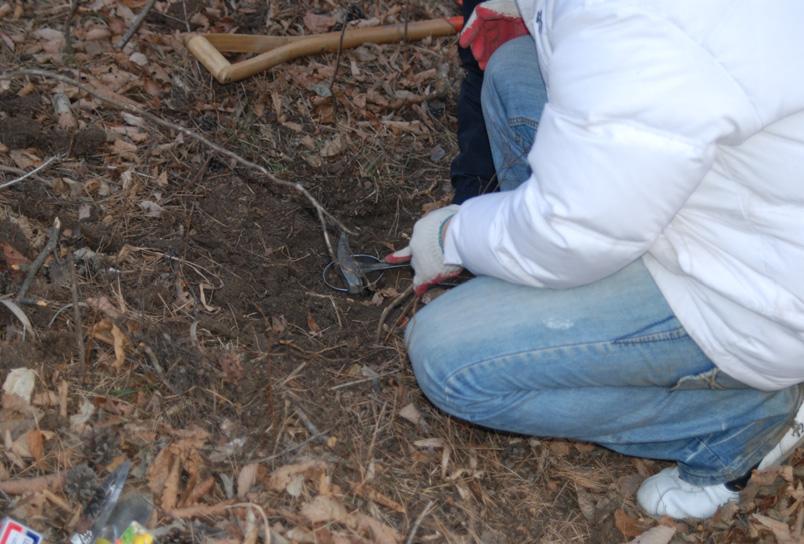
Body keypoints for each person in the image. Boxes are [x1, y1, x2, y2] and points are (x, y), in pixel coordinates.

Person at [387, 0, 804, 520]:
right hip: (725, 203)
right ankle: (566, 304)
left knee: (447, 357)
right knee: (515, 69)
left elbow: (575, 229)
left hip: (752, 292)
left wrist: (454, 236)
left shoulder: (634, 21)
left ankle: (735, 420)